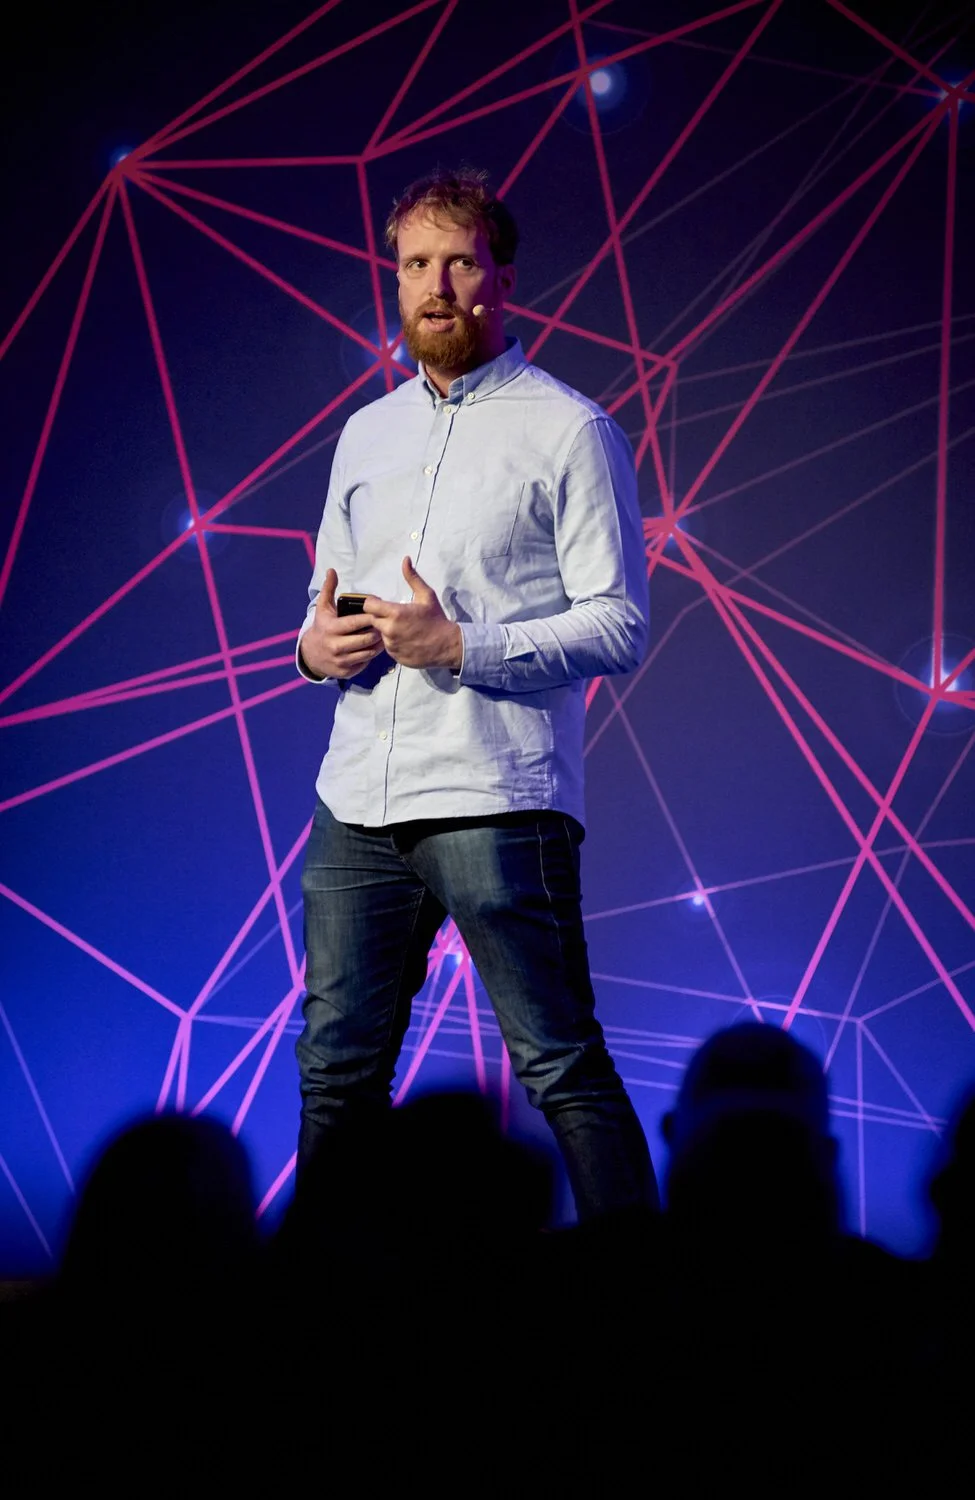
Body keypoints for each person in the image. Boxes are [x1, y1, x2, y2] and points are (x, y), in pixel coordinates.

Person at [294, 166, 658, 1222]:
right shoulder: (366, 435)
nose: (436, 285)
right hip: (357, 796)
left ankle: (656, 1313)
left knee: (558, 1068)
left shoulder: (571, 430)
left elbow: (619, 623)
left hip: (496, 795)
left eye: (459, 261)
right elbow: (318, 602)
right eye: (414, 264)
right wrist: (315, 650)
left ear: (504, 276)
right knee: (334, 1074)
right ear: (394, 281)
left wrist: (460, 643)